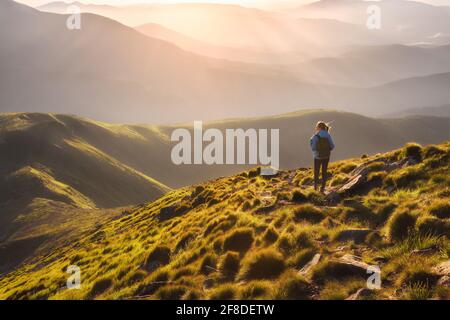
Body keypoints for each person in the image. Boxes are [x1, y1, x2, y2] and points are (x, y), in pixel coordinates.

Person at [310, 121, 335, 193]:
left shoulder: (315, 136)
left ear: (319, 127)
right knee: (324, 171)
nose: (316, 128)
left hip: (317, 156)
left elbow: (313, 148)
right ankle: (323, 187)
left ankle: (315, 187)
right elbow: (333, 146)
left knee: (316, 171)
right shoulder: (328, 135)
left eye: (317, 127)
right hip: (326, 156)